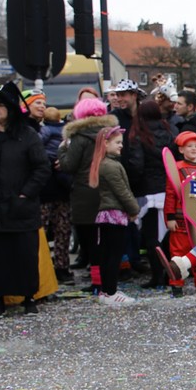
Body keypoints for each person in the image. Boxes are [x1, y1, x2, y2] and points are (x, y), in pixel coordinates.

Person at [0, 82, 51, 315]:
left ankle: (28, 297)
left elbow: (41, 168)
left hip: (20, 206)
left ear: (11, 109)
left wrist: (26, 193)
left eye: (0, 105)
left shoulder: (27, 135)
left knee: (24, 254)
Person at [59, 97, 118, 293]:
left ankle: (96, 282)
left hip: (84, 193)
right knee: (106, 240)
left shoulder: (79, 137)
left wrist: (62, 151)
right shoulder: (111, 134)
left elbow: (69, 165)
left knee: (90, 241)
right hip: (107, 190)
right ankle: (107, 280)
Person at [125, 98, 175, 286]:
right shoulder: (170, 132)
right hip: (168, 190)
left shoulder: (139, 136)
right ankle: (171, 274)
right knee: (167, 236)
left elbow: (136, 166)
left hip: (147, 193)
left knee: (151, 237)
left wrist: (131, 184)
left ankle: (157, 276)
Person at [162, 131, 196, 296]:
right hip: (181, 217)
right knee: (178, 250)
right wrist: (170, 217)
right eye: (189, 146)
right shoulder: (177, 168)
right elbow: (171, 193)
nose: (194, 149)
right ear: (181, 150)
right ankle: (176, 284)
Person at [88, 127, 138, 305]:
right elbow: (122, 191)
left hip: (107, 215)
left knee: (107, 254)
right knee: (113, 255)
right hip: (114, 215)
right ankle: (111, 291)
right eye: (117, 142)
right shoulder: (110, 166)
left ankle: (106, 291)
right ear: (106, 143)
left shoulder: (105, 163)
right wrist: (134, 209)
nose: (121, 146)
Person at [38, 105, 74, 283]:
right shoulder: (65, 133)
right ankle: (60, 267)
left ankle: (51, 268)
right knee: (61, 231)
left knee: (52, 231)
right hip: (58, 188)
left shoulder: (42, 132)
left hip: (51, 190)